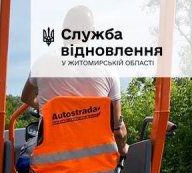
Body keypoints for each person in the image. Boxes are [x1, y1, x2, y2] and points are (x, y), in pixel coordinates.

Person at [21, 5, 128, 158]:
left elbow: (26, 97)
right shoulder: (108, 70)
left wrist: (48, 109)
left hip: (50, 168)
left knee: (24, 157)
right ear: (91, 32)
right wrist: (123, 150)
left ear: (64, 30)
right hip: (96, 169)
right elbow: (119, 130)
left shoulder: (42, 64)